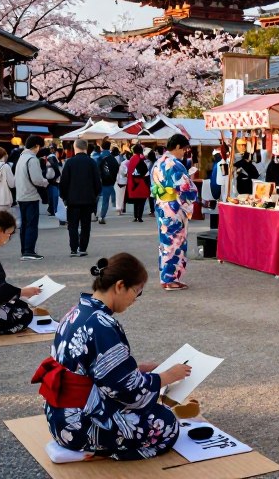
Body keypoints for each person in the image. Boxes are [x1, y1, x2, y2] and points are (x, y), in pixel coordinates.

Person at [32, 254, 190, 462]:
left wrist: (141, 369)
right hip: (80, 425)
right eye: (136, 292)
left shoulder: (78, 311)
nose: (135, 299)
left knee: (152, 408)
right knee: (166, 424)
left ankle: (82, 446)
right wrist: (168, 376)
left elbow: (95, 370)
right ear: (120, 286)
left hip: (59, 416)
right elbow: (125, 389)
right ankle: (92, 451)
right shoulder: (101, 325)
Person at [153, 134, 198, 290]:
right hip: (174, 208)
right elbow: (186, 188)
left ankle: (166, 277)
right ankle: (170, 279)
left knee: (166, 243)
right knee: (175, 243)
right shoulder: (174, 164)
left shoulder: (158, 163)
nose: (184, 152)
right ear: (178, 147)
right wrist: (192, 191)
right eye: (184, 149)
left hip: (162, 206)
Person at [59, 138, 101, 257]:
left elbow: (64, 182)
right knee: (85, 225)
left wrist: (64, 196)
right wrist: (95, 195)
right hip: (88, 200)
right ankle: (82, 248)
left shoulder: (70, 162)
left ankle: (73, 248)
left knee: (72, 225)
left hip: (72, 200)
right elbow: (97, 182)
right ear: (86, 148)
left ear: (75, 147)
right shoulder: (91, 162)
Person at [15, 136, 48, 261]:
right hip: (30, 195)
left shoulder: (21, 158)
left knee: (24, 224)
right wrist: (45, 182)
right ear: (36, 146)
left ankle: (25, 250)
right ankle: (29, 250)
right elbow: (37, 180)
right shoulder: (32, 159)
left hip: (21, 195)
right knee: (31, 224)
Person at [96, 141, 120, 225]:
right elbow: (117, 169)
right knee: (105, 201)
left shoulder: (98, 157)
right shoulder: (112, 159)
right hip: (109, 182)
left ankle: (93, 214)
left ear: (101, 147)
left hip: (97, 182)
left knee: (96, 199)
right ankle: (102, 217)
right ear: (109, 147)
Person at [126, 145, 151, 222]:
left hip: (133, 183)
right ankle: (139, 217)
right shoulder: (141, 160)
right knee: (142, 201)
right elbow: (146, 174)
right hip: (142, 183)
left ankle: (135, 216)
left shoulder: (131, 159)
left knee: (136, 201)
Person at [45, 147, 63, 217]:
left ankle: (52, 210)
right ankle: (54, 210)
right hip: (54, 180)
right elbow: (56, 167)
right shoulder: (52, 157)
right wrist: (57, 174)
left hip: (51, 180)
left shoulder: (50, 157)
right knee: (54, 196)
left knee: (52, 196)